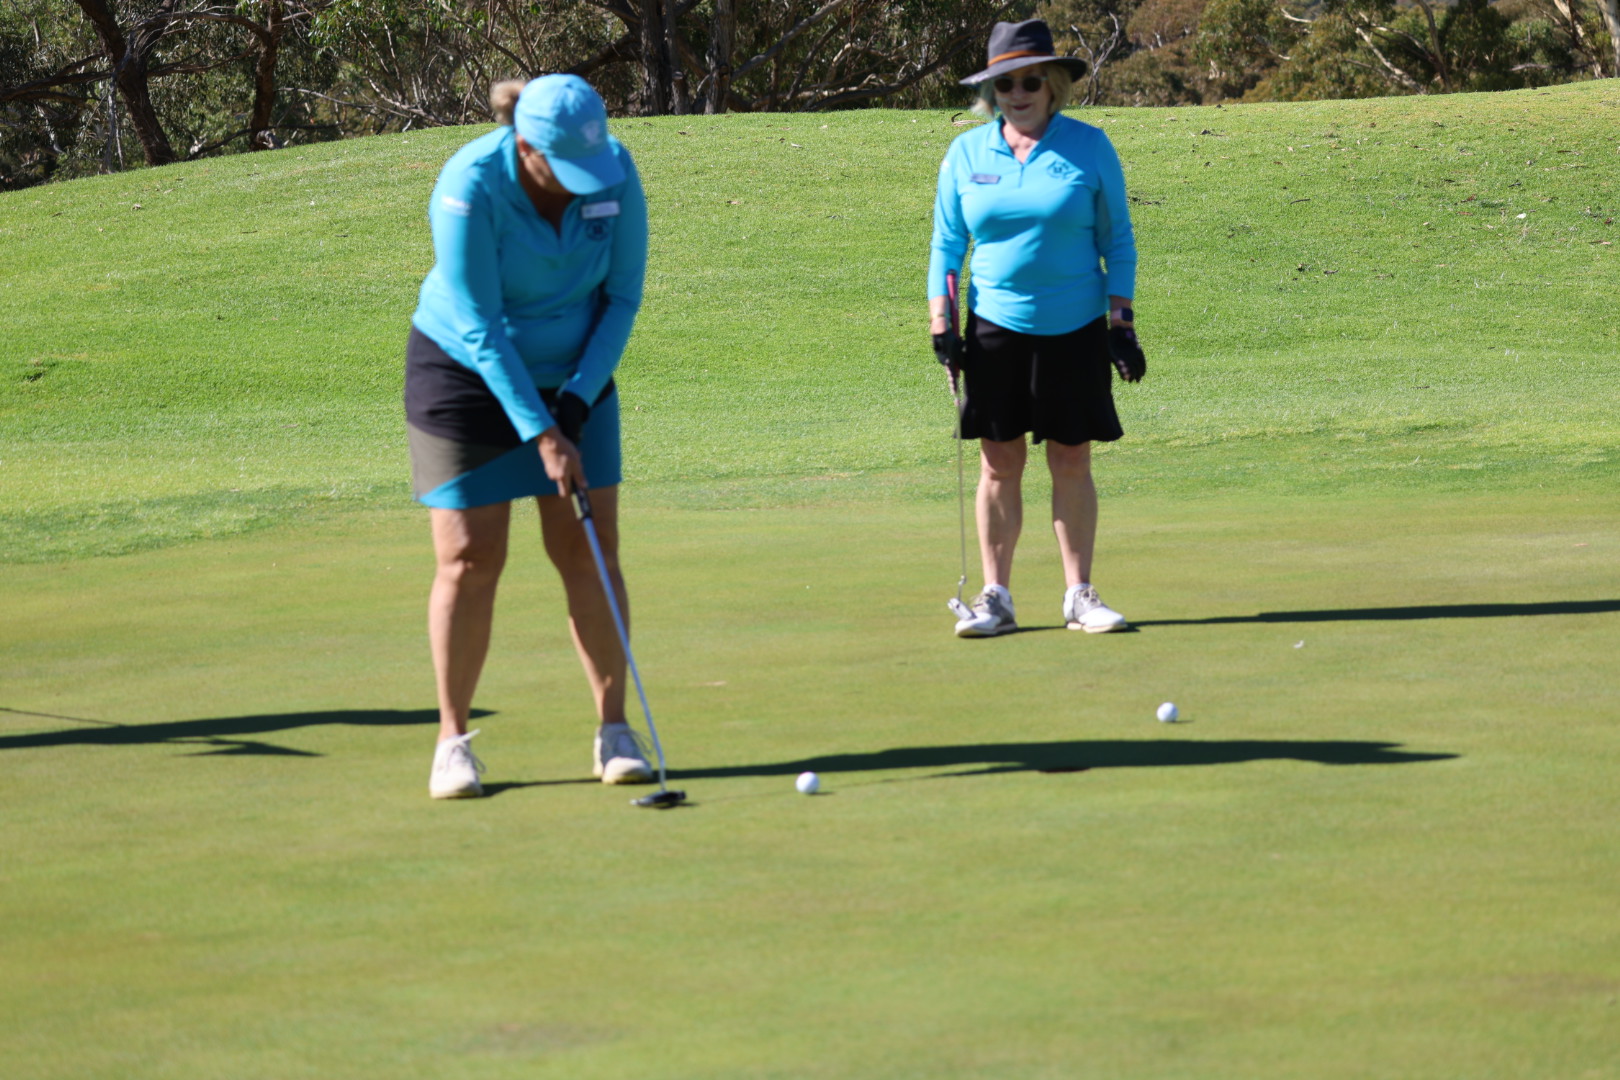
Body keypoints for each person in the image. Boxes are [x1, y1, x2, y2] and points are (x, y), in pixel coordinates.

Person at [405, 74, 652, 798]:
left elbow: (623, 296)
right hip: (464, 373)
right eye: (565, 169)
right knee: (470, 557)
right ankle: (452, 744)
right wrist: (542, 432)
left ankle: (615, 731)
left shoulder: (615, 170)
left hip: (575, 373)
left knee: (590, 551)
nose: (583, 183)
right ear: (526, 148)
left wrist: (573, 404)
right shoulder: (470, 185)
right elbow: (480, 327)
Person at [928, 19, 1147, 639]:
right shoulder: (967, 154)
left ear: (1052, 84)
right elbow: (947, 245)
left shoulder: (1089, 147)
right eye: (1005, 84)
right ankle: (995, 598)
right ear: (991, 92)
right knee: (999, 462)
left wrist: (1121, 323)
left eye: (1030, 81)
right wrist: (942, 322)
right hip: (994, 327)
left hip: (1074, 326)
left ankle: (1080, 595)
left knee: (1071, 457)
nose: (1017, 94)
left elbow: (1117, 242)